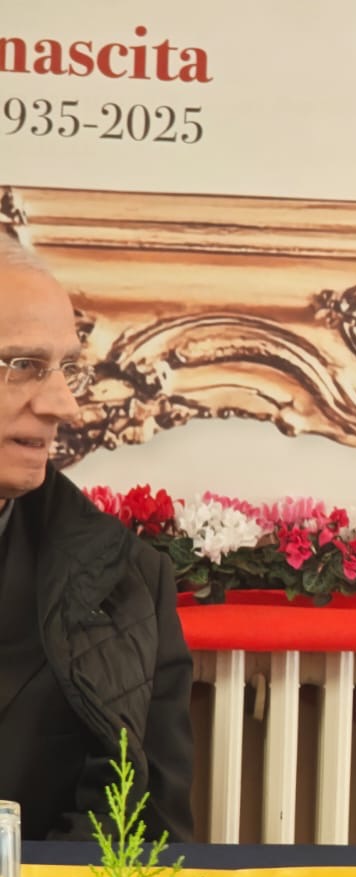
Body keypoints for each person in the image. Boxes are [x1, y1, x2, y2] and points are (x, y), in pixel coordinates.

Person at [0, 238, 194, 840]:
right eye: (22, 366)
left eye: (67, 369)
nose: (65, 407)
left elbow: (152, 841)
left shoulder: (129, 581)